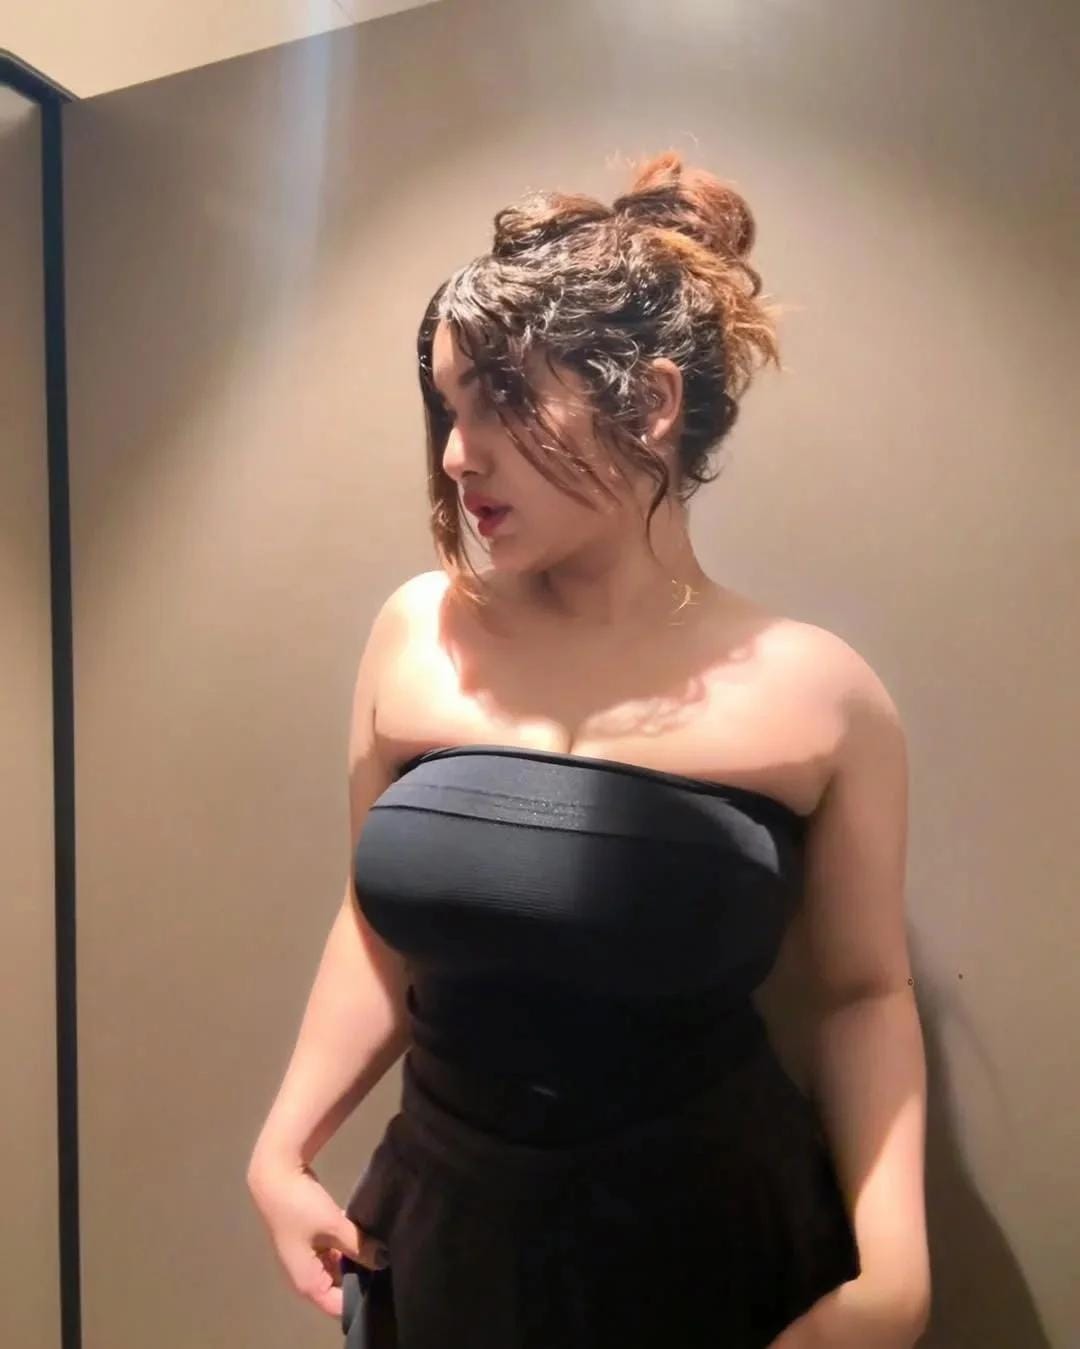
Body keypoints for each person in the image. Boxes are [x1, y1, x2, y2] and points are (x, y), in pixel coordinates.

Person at [246, 150, 931, 1348]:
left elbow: (864, 990)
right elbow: (378, 926)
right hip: (445, 1236)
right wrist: (282, 1145)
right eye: (449, 409)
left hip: (710, 1248)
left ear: (651, 404)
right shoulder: (417, 633)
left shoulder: (820, 694)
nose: (458, 455)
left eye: (501, 401)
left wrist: (894, 1274)